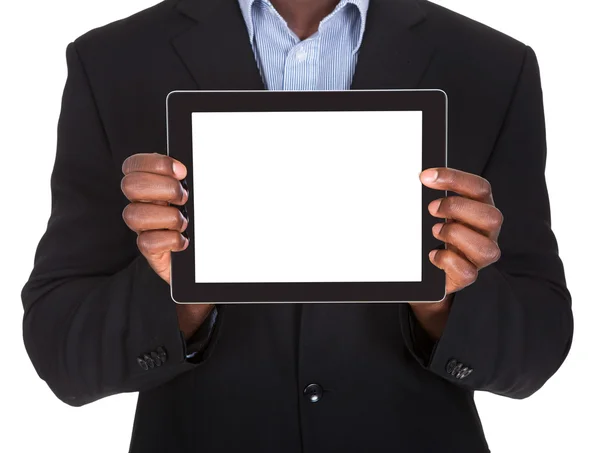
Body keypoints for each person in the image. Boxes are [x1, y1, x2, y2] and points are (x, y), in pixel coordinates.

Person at [21, 0, 573, 452]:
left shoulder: (492, 64)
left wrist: (441, 300)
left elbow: (536, 352)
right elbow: (64, 356)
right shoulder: (112, 61)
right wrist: (179, 294)